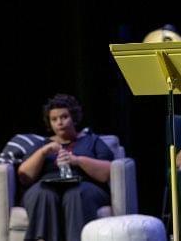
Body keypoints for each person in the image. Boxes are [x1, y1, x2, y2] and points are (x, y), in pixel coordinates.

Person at [18, 94, 115, 241]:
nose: (59, 123)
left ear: (74, 117)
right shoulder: (42, 145)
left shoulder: (92, 141)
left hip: (83, 186)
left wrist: (77, 160)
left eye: (64, 117)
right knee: (42, 193)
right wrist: (43, 152)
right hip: (46, 186)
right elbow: (24, 176)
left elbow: (107, 172)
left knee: (75, 195)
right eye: (54, 119)